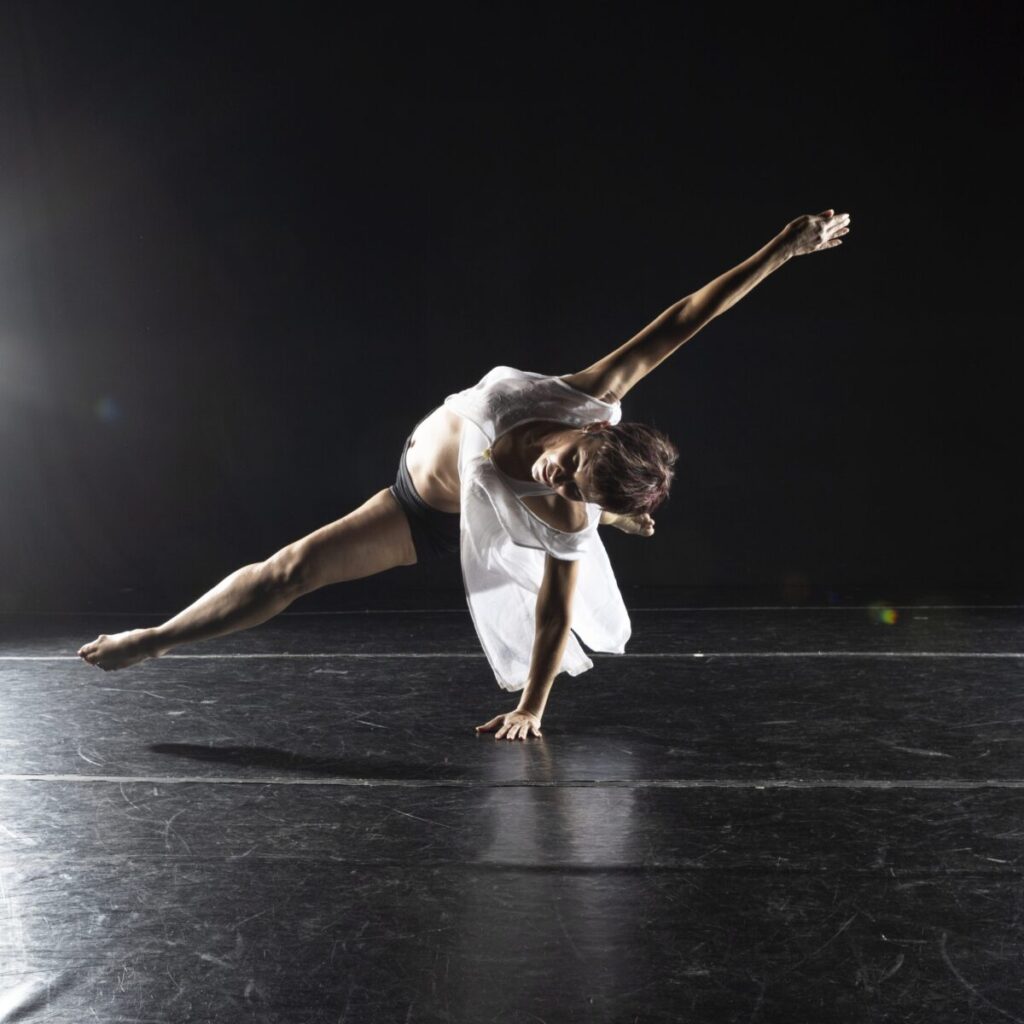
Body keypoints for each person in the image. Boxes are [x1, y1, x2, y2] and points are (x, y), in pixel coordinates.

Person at [78, 208, 851, 740]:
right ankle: (160, 637)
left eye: (572, 490)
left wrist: (532, 706)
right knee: (291, 570)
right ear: (591, 435)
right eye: (573, 467)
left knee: (300, 570)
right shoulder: (593, 393)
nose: (559, 475)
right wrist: (786, 244)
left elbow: (553, 617)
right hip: (435, 472)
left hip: (434, 512)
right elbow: (691, 313)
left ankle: (616, 521)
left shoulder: (562, 507)